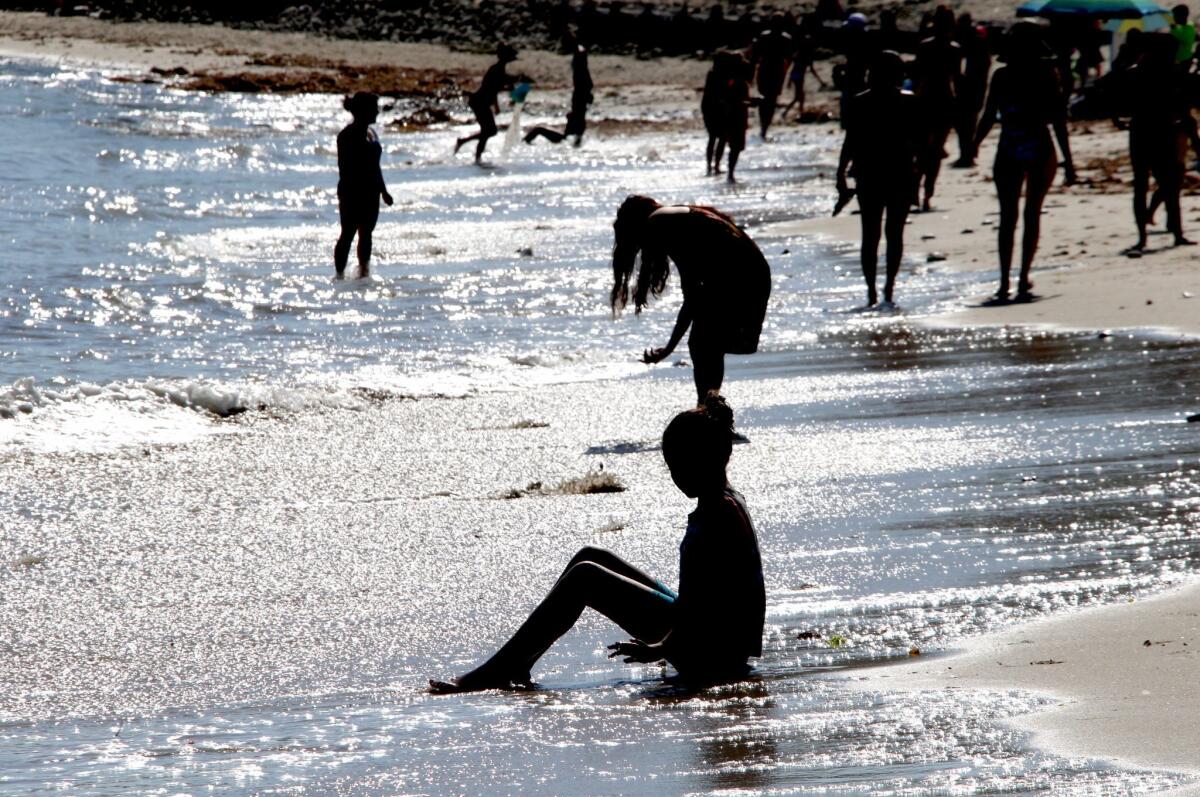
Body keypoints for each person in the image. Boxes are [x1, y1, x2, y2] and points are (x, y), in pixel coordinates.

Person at [429, 393, 766, 693]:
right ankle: (519, 660)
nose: (676, 476)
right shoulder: (724, 500)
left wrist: (662, 647)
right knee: (591, 555)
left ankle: (502, 668)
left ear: (708, 459)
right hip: (710, 638)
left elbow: (707, 608)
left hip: (714, 655)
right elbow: (707, 603)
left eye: (680, 465)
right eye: (671, 467)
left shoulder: (718, 515)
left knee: (585, 576)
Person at [610, 196, 771, 403]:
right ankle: (709, 407)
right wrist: (671, 345)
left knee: (703, 343)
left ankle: (706, 408)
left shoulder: (657, 222)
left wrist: (669, 347)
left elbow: (693, 295)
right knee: (710, 343)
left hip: (738, 275)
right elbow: (697, 292)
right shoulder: (675, 214)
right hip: (753, 272)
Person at [974, 22, 1076, 303]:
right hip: (1039, 146)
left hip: (1009, 145)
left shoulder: (1002, 76)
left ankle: (1005, 279)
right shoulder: (1047, 75)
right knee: (1033, 213)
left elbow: (988, 115)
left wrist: (973, 145)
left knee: (1008, 216)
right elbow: (1057, 120)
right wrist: (1069, 160)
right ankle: (1023, 277)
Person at [836, 51, 922, 307]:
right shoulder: (909, 101)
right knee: (894, 234)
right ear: (899, 74)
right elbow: (920, 143)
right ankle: (888, 289)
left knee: (870, 235)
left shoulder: (859, 102)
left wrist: (841, 174)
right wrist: (922, 175)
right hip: (901, 173)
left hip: (870, 174)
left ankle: (872, 291)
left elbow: (849, 142)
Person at [1123, 32, 1194, 251]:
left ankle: (1142, 236)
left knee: (1142, 185)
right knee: (1170, 185)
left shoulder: (1135, 74)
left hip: (1141, 133)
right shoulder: (1174, 74)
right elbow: (1184, 111)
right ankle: (1177, 233)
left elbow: (1121, 106)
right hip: (1165, 132)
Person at [334, 92, 393, 280]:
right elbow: (347, 168)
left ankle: (363, 275)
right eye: (374, 108)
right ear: (363, 111)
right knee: (348, 235)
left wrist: (383, 191)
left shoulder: (371, 133)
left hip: (371, 191)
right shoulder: (346, 135)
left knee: (366, 235)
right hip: (352, 191)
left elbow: (375, 166)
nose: (377, 111)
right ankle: (339, 276)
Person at [912, 5, 961, 211]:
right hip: (944, 101)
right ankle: (927, 193)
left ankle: (916, 191)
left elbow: (916, 77)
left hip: (925, 100)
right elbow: (956, 79)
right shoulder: (954, 49)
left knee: (922, 151)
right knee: (935, 151)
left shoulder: (925, 46)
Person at [524, 31, 594, 147]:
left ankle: (528, 139)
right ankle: (576, 142)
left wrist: (587, 91)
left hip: (581, 90)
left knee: (578, 115)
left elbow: (584, 72)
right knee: (579, 115)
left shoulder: (580, 53)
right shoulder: (580, 53)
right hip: (581, 91)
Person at [455, 43, 519, 163]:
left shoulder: (499, 69)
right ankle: (470, 150)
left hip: (481, 102)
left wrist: (498, 103)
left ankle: (474, 155)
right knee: (489, 131)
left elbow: (494, 88)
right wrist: (498, 102)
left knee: (488, 131)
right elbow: (491, 88)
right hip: (480, 102)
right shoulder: (497, 70)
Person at [952, 13, 990, 167]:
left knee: (964, 124)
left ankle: (966, 154)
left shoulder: (968, 42)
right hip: (976, 87)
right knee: (968, 123)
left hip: (969, 88)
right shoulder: (977, 41)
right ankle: (968, 153)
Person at [748, 14, 793, 139]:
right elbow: (789, 58)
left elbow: (754, 57)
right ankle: (764, 127)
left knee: (767, 99)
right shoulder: (783, 39)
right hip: (773, 70)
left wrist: (751, 72)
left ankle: (764, 127)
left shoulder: (767, 37)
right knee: (769, 100)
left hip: (768, 69)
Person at [780, 14, 826, 122]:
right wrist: (821, 81)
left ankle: (799, 112)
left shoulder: (799, 55)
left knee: (800, 96)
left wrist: (789, 81)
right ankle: (788, 113)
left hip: (796, 76)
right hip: (798, 76)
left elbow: (793, 67)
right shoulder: (805, 56)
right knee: (798, 96)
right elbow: (812, 70)